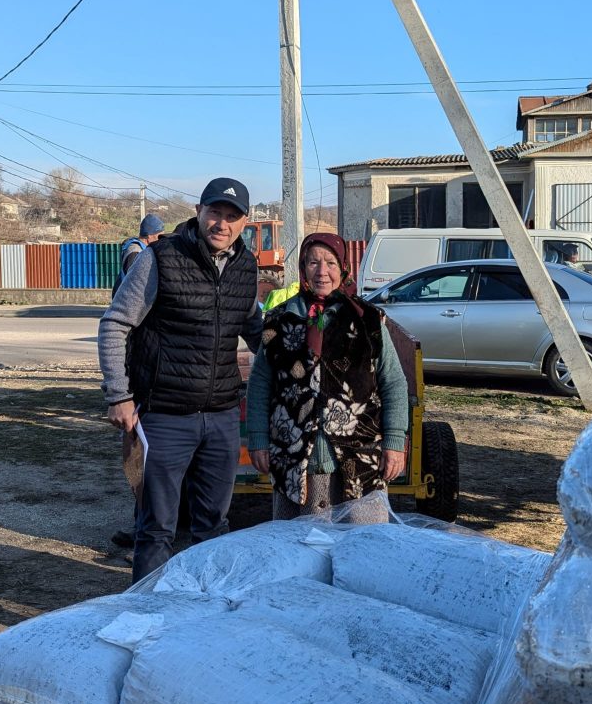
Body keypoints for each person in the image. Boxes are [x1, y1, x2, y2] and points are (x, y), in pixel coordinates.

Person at [98, 177, 262, 582]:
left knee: (214, 527)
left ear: (244, 223)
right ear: (198, 212)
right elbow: (115, 324)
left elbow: (257, 330)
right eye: (215, 213)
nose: (221, 224)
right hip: (165, 415)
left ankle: (202, 617)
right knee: (157, 529)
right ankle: (146, 618)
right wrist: (119, 395)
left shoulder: (246, 265)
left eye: (231, 217)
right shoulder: (160, 258)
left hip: (221, 416)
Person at [246, 232, 408, 521]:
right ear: (302, 267)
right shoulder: (278, 321)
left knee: (360, 551)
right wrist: (258, 439)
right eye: (313, 262)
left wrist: (394, 442)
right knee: (304, 553)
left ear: (343, 268)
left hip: (360, 461)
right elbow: (260, 384)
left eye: (331, 263)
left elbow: (393, 382)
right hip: (296, 463)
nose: (322, 272)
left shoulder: (368, 320)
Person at [109, 213, 167, 550]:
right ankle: (142, 527)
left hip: (139, 361)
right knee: (139, 452)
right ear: (153, 237)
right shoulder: (138, 256)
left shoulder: (135, 251)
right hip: (137, 367)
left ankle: (149, 524)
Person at [111, 213, 166, 299]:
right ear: (149, 236)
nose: (161, 240)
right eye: (159, 236)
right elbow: (135, 282)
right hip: (128, 299)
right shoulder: (135, 252)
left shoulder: (142, 249)